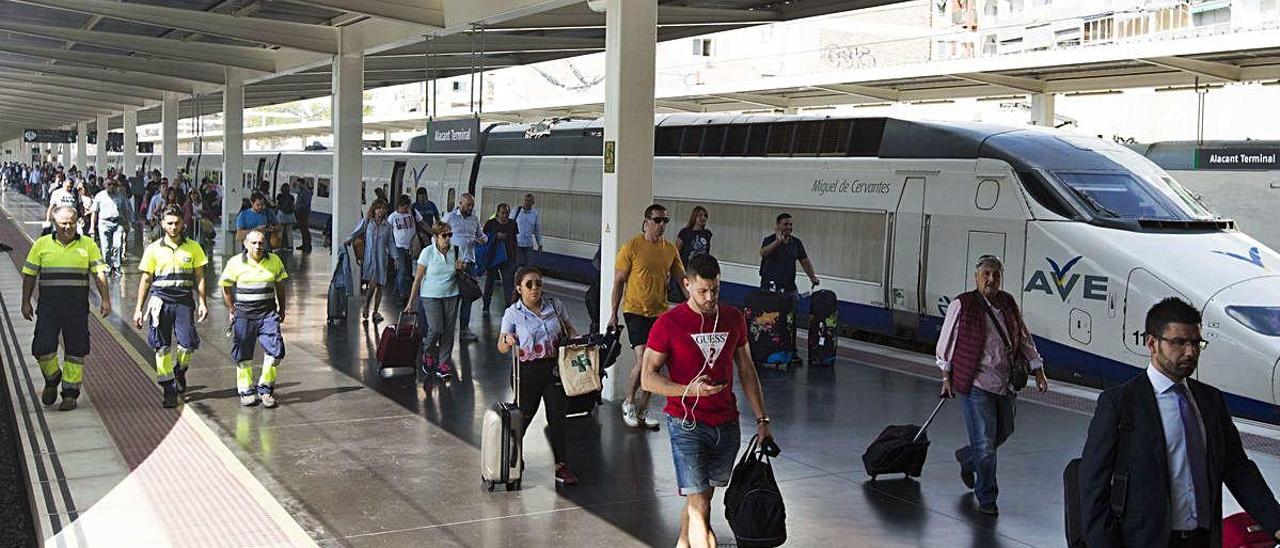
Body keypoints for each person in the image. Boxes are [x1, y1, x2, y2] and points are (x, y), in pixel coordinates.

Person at [1079, 297, 1280, 548]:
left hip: (1203, 540)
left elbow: (1238, 469)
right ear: (1151, 343)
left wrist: (1276, 523)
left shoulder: (1210, 400)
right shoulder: (1120, 404)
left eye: (1196, 343)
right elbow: (1092, 486)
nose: (1190, 352)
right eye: (1179, 342)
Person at [641, 254, 774, 548]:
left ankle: (683, 543)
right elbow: (647, 379)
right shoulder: (668, 324)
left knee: (701, 499)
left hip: (726, 424)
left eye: (715, 289)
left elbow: (747, 370)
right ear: (687, 284)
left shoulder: (733, 318)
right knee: (700, 506)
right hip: (686, 424)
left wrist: (762, 419)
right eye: (703, 291)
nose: (710, 297)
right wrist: (688, 389)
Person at [937, 254, 1048, 515]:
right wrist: (946, 377)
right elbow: (946, 342)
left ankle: (967, 457)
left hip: (1006, 383)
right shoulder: (962, 304)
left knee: (1004, 431)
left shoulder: (1008, 302)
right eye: (986, 273)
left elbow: (1023, 337)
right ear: (976, 277)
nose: (991, 279)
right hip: (976, 383)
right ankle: (987, 497)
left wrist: (1039, 370)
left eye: (996, 274)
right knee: (986, 444)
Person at [20, 206, 111, 411]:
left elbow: (99, 274)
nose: (68, 227)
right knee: (42, 347)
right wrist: (25, 301)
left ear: (78, 221)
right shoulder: (41, 245)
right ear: (55, 222)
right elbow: (30, 274)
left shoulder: (88, 245)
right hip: (48, 307)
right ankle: (53, 378)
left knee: (76, 350)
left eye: (71, 222)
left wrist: (105, 299)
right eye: (63, 223)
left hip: (77, 309)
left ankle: (70, 393)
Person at [497, 266, 579, 485]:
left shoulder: (555, 306)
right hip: (526, 371)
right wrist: (508, 340)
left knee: (557, 417)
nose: (535, 288)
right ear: (519, 288)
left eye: (538, 283)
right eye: (529, 284)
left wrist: (575, 338)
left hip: (554, 368)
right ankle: (513, 458)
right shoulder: (513, 313)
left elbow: (570, 329)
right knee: (523, 415)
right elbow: (501, 346)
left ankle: (561, 465)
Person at [609, 203, 687, 430]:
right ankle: (629, 402)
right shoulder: (632, 247)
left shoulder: (670, 249)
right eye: (657, 220)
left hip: (659, 312)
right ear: (646, 222)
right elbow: (618, 282)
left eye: (665, 221)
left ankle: (643, 409)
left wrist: (697, 301)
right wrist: (613, 314)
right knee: (643, 360)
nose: (661, 225)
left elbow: (682, 279)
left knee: (657, 364)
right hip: (635, 310)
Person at [133, 206, 209, 408]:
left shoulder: (193, 247)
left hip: (184, 300)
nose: (173, 227)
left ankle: (179, 370)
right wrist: (139, 309)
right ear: (162, 223)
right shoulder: (153, 249)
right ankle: (168, 388)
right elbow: (146, 279)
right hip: (160, 301)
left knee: (187, 344)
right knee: (162, 346)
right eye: (169, 223)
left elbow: (200, 277)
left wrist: (202, 302)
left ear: (183, 223)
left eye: (177, 223)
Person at [218, 229, 289, 408]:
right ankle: (246, 390)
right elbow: (226, 287)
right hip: (244, 314)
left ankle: (265, 389)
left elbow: (280, 287)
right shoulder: (235, 263)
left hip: (268, 313)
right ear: (245, 244)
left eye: (261, 243)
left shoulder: (274, 261)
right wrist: (232, 308)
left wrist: (282, 308)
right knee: (243, 353)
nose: (258, 246)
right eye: (254, 243)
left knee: (275, 350)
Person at [404, 222, 465, 380]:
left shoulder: (455, 250)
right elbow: (417, 279)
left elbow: (462, 272)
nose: (447, 238)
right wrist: (411, 301)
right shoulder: (427, 253)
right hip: (430, 296)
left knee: (448, 331)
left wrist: (461, 267)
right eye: (444, 235)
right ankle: (428, 352)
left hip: (451, 295)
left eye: (450, 235)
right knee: (436, 328)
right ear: (436, 237)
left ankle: (443, 364)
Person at [441, 193, 487, 341]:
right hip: (454, 264)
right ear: (460, 203)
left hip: (469, 263)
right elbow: (437, 237)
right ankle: (445, 330)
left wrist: (482, 239)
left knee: (468, 297)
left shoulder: (474, 219)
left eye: (472, 205)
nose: (471, 208)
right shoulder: (450, 218)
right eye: (468, 205)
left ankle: (464, 329)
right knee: (452, 298)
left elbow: (481, 235)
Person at [346, 200, 396, 322]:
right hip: (370, 259)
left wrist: (395, 258)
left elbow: (391, 242)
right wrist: (349, 239)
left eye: (383, 208)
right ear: (374, 210)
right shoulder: (367, 222)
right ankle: (366, 306)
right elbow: (357, 231)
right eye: (378, 208)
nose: (381, 211)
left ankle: (376, 312)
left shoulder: (387, 226)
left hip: (381, 259)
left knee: (380, 286)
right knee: (373, 284)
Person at [758, 213, 818, 294]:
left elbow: (804, 261)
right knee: (771, 306)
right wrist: (777, 242)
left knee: (793, 305)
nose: (789, 227)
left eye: (790, 224)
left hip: (789, 287)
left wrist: (812, 277)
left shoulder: (796, 242)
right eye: (785, 224)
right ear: (778, 225)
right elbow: (763, 253)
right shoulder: (769, 240)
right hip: (770, 286)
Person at [89, 177, 132, 278]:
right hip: (104, 223)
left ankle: (117, 267)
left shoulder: (120, 196)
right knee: (106, 248)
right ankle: (107, 267)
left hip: (118, 222)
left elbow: (125, 211)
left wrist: (127, 224)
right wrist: (92, 227)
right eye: (109, 184)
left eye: (114, 185)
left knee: (118, 245)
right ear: (105, 185)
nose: (111, 187)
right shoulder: (99, 196)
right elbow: (94, 213)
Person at [481, 202, 519, 314]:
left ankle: (509, 307)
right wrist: (495, 236)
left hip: (508, 259)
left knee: (508, 285)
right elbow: (484, 239)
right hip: (493, 258)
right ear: (497, 213)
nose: (504, 216)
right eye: (502, 213)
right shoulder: (490, 224)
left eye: (506, 213)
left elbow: (515, 242)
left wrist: (516, 259)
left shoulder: (512, 224)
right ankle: (486, 305)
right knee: (490, 282)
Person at [387, 195, 422, 301]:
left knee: (407, 271)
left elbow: (421, 222)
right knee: (402, 270)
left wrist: (432, 232)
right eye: (406, 208)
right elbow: (388, 233)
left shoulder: (413, 212)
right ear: (400, 206)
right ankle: (403, 295)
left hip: (410, 247)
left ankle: (396, 292)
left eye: (408, 207)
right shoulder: (392, 217)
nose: (408, 210)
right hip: (398, 248)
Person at [513, 193, 543, 267]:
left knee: (529, 266)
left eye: (530, 201)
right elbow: (509, 224)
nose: (527, 203)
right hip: (517, 243)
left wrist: (540, 244)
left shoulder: (535, 214)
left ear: (533, 202)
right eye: (526, 200)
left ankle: (526, 277)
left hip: (528, 244)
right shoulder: (517, 211)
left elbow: (537, 230)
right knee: (515, 265)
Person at [275, 183, 296, 251]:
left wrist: (275, 213)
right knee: (289, 232)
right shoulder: (291, 196)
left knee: (280, 231)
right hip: (290, 216)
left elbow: (277, 205)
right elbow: (293, 206)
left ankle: (279, 246)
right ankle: (290, 246)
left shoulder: (279, 196)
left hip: (282, 215)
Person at [294, 179, 313, 252]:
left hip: (304, 213)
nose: (298, 185)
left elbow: (305, 204)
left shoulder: (306, 193)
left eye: (299, 184)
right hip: (300, 213)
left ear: (303, 184)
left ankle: (307, 245)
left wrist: (298, 208)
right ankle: (304, 244)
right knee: (302, 229)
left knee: (305, 229)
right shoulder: (301, 192)